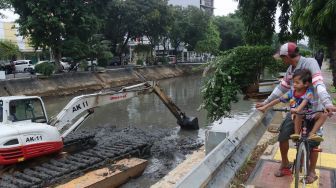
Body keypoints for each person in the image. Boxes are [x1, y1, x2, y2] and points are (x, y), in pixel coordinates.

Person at [256, 42, 336, 184]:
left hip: (314, 109)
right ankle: (285, 164)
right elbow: (281, 89)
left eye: (282, 58)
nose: (282, 61)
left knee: (313, 143)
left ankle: (311, 171)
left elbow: (319, 83)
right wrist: (266, 102)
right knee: (283, 137)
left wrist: (327, 103)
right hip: (296, 110)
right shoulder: (289, 70)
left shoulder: (310, 63)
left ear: (287, 56)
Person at [258, 69, 327, 142]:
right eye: (294, 82)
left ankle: (312, 134)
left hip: (310, 114)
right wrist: (265, 106)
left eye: (297, 83)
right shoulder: (291, 92)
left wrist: (297, 109)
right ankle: (296, 134)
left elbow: (304, 101)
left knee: (324, 114)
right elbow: (278, 100)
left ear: (306, 84)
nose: (294, 84)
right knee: (298, 113)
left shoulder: (309, 93)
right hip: (299, 115)